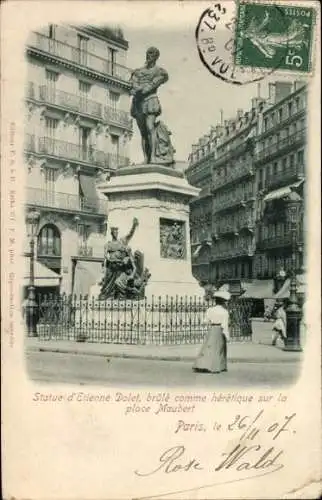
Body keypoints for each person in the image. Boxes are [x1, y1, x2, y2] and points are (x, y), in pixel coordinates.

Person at [130, 47, 175, 165]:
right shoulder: (138, 71)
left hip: (150, 101)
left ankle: (154, 157)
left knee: (150, 127)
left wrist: (140, 88)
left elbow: (153, 84)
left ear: (156, 57)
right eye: (147, 53)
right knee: (143, 132)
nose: (148, 56)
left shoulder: (160, 71)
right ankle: (146, 158)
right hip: (138, 102)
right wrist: (135, 87)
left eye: (151, 54)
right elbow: (133, 83)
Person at [193, 290, 231, 373]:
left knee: (208, 347)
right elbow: (224, 325)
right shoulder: (225, 312)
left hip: (212, 329)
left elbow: (205, 321)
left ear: (216, 301)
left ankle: (203, 364)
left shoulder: (210, 310)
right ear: (223, 302)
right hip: (219, 330)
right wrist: (227, 336)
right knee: (219, 348)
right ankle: (218, 366)